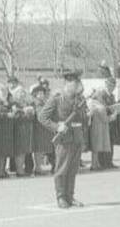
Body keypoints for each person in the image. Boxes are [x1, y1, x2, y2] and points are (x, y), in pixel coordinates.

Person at [38, 69, 88, 208]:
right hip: (64, 138)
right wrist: (56, 126)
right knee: (62, 169)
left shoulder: (80, 99)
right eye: (75, 82)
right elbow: (42, 117)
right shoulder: (57, 98)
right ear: (68, 82)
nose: (78, 84)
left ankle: (70, 196)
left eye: (78, 81)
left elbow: (84, 117)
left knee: (73, 169)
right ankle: (61, 197)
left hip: (77, 137)